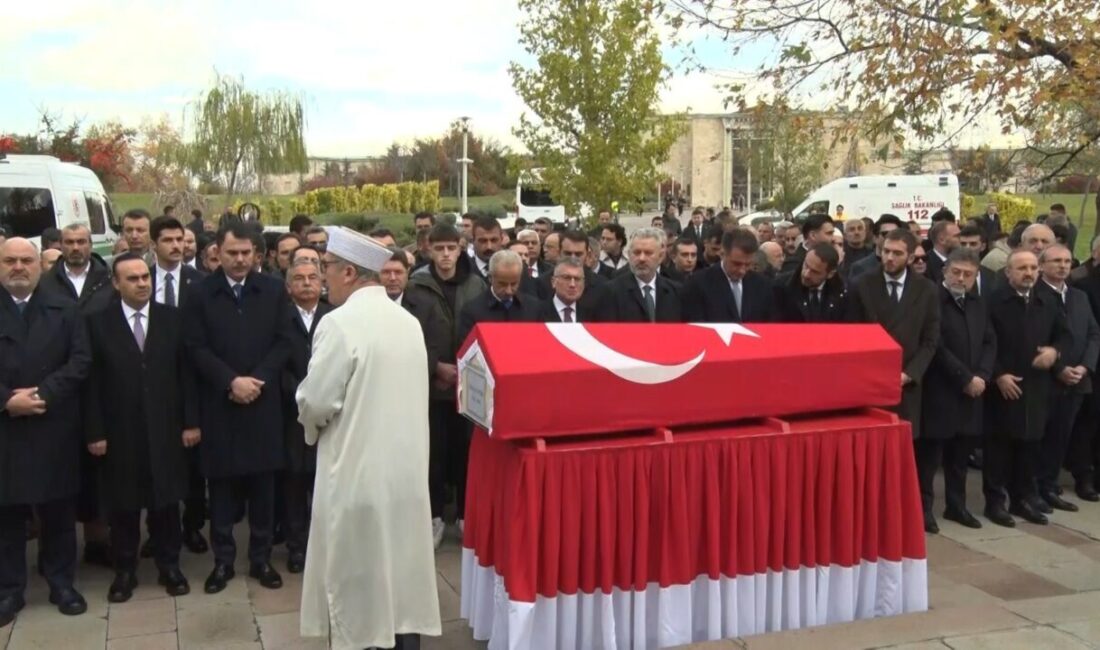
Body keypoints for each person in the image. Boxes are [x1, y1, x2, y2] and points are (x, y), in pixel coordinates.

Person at [297, 228, 441, 650]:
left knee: (357, 579)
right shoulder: (408, 321)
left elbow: (317, 400)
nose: (323, 279)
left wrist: (307, 416)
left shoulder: (338, 323)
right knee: (400, 577)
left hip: (356, 476)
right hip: (406, 477)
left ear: (348, 272)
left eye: (326, 270)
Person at [183, 222, 291, 594]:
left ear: (257, 254)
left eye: (247, 253)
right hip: (221, 404)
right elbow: (195, 347)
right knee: (223, 492)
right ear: (218, 252)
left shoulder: (274, 290)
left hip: (262, 404)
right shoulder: (199, 293)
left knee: (264, 489)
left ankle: (260, 559)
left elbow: (283, 342)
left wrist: (256, 380)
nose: (240, 259)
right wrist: (231, 381)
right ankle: (223, 562)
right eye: (232, 253)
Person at [84, 254, 197, 602]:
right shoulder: (97, 323)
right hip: (120, 433)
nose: (142, 283)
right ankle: (125, 571)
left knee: (166, 505)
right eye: (132, 279)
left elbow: (186, 375)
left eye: (145, 277)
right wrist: (95, 432)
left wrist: (191, 422)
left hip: (166, 429)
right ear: (116, 284)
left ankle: (170, 566)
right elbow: (91, 383)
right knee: (124, 507)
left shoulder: (172, 319)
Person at [0, 237, 91, 626]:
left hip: (53, 426)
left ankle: (60, 583)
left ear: (40, 265)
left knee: (58, 514)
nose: (18, 267)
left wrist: (43, 393)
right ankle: (9, 590)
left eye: (26, 260)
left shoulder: (66, 309)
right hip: (6, 430)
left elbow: (81, 360)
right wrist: (6, 401)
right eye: (9, 261)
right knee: (6, 517)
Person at [407, 225, 485, 537]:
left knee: (466, 451)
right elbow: (413, 334)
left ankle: (467, 515)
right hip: (433, 383)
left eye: (451, 248)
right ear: (428, 249)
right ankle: (435, 516)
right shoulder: (417, 284)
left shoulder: (476, 284)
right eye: (439, 249)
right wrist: (435, 366)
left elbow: (482, 329)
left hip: (469, 381)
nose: (445, 255)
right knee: (434, 453)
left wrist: (467, 368)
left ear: (461, 247)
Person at [983, 250, 1070, 527]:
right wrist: (998, 375)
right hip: (1004, 387)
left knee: (1030, 446)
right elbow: (985, 343)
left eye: (1033, 267)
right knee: (1000, 448)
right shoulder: (994, 302)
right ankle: (995, 502)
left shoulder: (1048, 301)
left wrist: (1055, 353)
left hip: (1037, 388)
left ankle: (1023, 499)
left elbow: (1065, 335)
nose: (1029, 273)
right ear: (1008, 272)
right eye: (1022, 268)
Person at [917, 249, 995, 533]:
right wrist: (964, 377)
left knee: (960, 456)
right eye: (956, 272)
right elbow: (934, 345)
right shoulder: (932, 300)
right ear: (944, 272)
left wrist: (983, 376)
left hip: (972, 390)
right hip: (941, 389)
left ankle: (956, 505)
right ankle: (924, 509)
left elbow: (990, 340)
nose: (961, 279)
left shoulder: (978, 302)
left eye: (968, 274)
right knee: (930, 457)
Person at [848, 229, 941, 434]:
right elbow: (851, 335)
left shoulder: (927, 290)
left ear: (910, 258)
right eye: (886, 251)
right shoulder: (861, 285)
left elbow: (930, 339)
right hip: (870, 382)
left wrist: (909, 374)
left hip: (907, 385)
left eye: (897, 253)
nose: (889, 258)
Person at [1034, 245, 1100, 513]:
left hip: (1078, 381)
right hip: (1047, 382)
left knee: (1062, 437)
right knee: (1040, 438)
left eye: (1066, 261)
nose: (1062, 266)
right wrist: (1059, 368)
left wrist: (1085, 366)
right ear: (1042, 265)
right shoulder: (1035, 296)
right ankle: (1034, 488)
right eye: (1056, 261)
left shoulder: (1079, 296)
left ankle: (1049, 486)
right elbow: (1034, 339)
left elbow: (1094, 334)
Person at [280, 258, 334, 574]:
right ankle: (297, 546)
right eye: (298, 278)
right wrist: (301, 395)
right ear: (289, 287)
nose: (306, 283)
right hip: (292, 414)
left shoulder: (334, 316)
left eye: (312, 277)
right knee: (295, 482)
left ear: (322, 283)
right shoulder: (280, 318)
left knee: (325, 481)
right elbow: (277, 361)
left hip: (329, 414)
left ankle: (326, 546)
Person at [591, 228, 683, 322]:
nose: (642, 258)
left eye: (648, 253)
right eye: (637, 252)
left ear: (660, 257)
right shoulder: (610, 292)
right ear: (629, 255)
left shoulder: (676, 292)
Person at [682, 228, 773, 323]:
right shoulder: (697, 284)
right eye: (736, 264)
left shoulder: (763, 285)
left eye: (748, 264)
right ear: (722, 254)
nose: (742, 270)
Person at [457, 250, 541, 345]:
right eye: (502, 284)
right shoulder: (471, 311)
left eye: (514, 284)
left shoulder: (533, 307)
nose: (509, 290)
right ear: (490, 278)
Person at [772, 242, 847, 323]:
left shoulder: (844, 292)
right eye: (806, 266)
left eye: (815, 272)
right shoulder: (781, 286)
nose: (806, 274)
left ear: (830, 274)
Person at [151, 216, 205, 310]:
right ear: (153, 245)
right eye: (168, 240)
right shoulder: (143, 279)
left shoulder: (201, 280)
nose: (176, 246)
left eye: (179, 239)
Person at [848, 214, 904, 283]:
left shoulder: (906, 266)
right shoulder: (860, 268)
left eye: (896, 234)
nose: (891, 238)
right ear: (875, 238)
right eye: (886, 234)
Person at [539, 258, 589, 322]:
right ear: (553, 282)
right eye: (567, 278)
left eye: (577, 279)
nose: (572, 285)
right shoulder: (536, 312)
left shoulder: (592, 314)